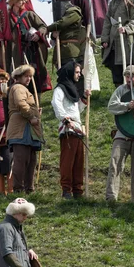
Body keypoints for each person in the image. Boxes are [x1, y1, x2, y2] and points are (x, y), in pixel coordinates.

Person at [105, 66, 134, 205]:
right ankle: (111, 198)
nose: (129, 79)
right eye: (127, 77)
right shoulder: (121, 90)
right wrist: (126, 106)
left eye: (132, 76)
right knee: (115, 164)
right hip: (122, 134)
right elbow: (111, 106)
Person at [52, 61, 90, 200]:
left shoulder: (72, 89)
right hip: (68, 129)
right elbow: (56, 105)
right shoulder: (60, 89)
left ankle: (77, 191)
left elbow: (76, 110)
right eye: (77, 72)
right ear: (69, 72)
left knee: (78, 162)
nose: (79, 75)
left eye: (79, 72)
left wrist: (84, 98)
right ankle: (66, 190)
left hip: (77, 129)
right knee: (67, 161)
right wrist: (65, 119)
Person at [7, 65, 44, 194]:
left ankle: (29, 188)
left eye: (30, 76)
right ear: (18, 77)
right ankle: (18, 188)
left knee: (30, 160)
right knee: (21, 160)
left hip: (27, 129)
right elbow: (21, 104)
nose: (28, 79)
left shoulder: (22, 88)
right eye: (26, 76)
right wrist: (31, 116)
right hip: (21, 128)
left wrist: (35, 112)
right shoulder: (18, 87)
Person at [7, 0, 51, 94]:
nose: (23, 2)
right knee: (20, 77)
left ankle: (37, 104)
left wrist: (38, 34)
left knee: (34, 78)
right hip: (17, 53)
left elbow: (43, 26)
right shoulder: (7, 19)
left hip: (32, 51)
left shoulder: (29, 14)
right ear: (14, 1)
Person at [101, 0, 134, 87]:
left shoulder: (132, 1)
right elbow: (107, 21)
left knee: (128, 67)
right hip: (114, 40)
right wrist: (105, 39)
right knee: (116, 68)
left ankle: (131, 90)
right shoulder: (113, 2)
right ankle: (119, 91)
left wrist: (126, 29)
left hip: (126, 40)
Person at [47, 0, 87, 68]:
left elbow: (62, 24)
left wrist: (47, 29)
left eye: (61, 1)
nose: (60, 4)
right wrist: (53, 35)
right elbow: (60, 29)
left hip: (72, 52)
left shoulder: (74, 12)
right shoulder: (62, 15)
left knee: (73, 76)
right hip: (61, 52)